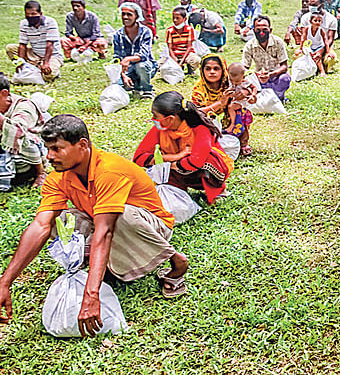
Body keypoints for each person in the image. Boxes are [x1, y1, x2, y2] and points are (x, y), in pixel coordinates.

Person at [0, 114, 189, 336]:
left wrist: (91, 295)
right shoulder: (58, 178)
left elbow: (105, 232)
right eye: (47, 149)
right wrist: (5, 282)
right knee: (56, 222)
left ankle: (174, 260)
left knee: (120, 217)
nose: (49, 157)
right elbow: (39, 227)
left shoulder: (109, 170)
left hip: (149, 227)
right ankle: (108, 266)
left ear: (82, 145)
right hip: (104, 223)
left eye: (57, 149)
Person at [134, 91, 233, 205]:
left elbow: (196, 161)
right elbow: (139, 158)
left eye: (156, 116)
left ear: (170, 119)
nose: (153, 119)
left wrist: (167, 163)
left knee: (209, 160)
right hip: (179, 169)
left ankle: (217, 192)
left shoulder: (200, 129)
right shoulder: (160, 130)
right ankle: (178, 192)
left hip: (201, 172)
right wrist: (176, 156)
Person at [0, 73, 47, 189]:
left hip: (25, 157)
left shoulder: (24, 106)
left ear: (4, 93)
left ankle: (41, 172)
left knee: (22, 137)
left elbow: (17, 131)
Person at [5, 0, 63, 82]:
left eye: (33, 14)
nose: (30, 16)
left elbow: (50, 45)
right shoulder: (24, 23)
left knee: (48, 75)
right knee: (10, 48)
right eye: (27, 14)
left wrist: (46, 63)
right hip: (35, 54)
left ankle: (46, 68)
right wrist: (21, 62)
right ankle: (34, 66)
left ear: (40, 13)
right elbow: (22, 45)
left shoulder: (50, 22)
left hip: (52, 55)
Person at [242, 15, 291, 103]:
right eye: (258, 30)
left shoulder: (278, 42)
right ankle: (270, 97)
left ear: (270, 30)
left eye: (264, 30)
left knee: (285, 78)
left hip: (276, 77)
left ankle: (277, 96)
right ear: (253, 31)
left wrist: (271, 74)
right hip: (259, 79)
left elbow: (284, 66)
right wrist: (257, 75)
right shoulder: (249, 45)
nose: (261, 33)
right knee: (246, 81)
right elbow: (245, 68)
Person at [114, 3, 156, 99]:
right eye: (123, 14)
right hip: (127, 69)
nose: (125, 17)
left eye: (129, 14)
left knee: (141, 66)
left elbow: (144, 55)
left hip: (145, 66)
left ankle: (147, 89)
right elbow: (117, 57)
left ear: (136, 16)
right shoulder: (118, 35)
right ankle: (135, 86)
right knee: (117, 85)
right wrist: (123, 75)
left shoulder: (145, 32)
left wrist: (128, 59)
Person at [298, 0, 338, 73]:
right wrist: (306, 50)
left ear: (321, 5)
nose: (311, 7)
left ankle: (321, 66)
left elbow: (330, 39)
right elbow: (303, 37)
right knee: (298, 56)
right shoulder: (305, 18)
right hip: (308, 48)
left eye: (314, 4)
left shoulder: (331, 19)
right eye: (310, 4)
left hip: (324, 48)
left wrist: (321, 51)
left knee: (331, 59)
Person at [224, 63, 257, 157]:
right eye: (232, 81)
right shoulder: (229, 81)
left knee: (245, 127)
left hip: (243, 105)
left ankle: (244, 143)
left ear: (243, 77)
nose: (234, 83)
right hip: (236, 102)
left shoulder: (246, 81)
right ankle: (236, 140)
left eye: (237, 81)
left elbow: (254, 87)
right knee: (239, 126)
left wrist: (253, 95)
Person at [164, 6, 201, 74]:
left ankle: (190, 68)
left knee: (196, 60)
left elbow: (189, 47)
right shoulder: (170, 31)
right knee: (161, 65)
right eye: (173, 18)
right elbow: (170, 48)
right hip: (175, 54)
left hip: (187, 54)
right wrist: (175, 60)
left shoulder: (189, 29)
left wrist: (181, 62)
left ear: (184, 19)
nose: (175, 20)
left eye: (177, 18)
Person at [298, 11, 336, 76]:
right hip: (310, 46)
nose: (317, 22)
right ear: (310, 21)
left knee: (317, 57)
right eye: (315, 20)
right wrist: (300, 49)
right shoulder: (307, 29)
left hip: (319, 46)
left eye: (319, 21)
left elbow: (326, 41)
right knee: (310, 56)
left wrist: (328, 52)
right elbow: (303, 39)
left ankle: (322, 71)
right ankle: (313, 70)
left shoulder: (321, 30)